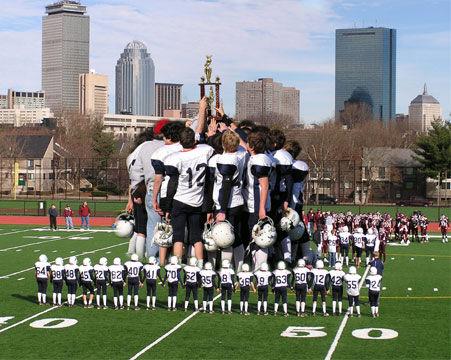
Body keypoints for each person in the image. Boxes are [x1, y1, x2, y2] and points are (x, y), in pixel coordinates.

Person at [164, 127, 214, 265]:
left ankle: (177, 266)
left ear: (180, 141)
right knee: (196, 236)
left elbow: (172, 184)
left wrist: (167, 207)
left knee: (178, 236)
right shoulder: (205, 151)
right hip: (197, 201)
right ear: (194, 140)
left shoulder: (175, 158)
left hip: (180, 200)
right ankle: (201, 265)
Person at [211, 130, 246, 271]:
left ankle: (227, 270)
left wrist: (222, 210)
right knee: (236, 237)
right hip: (237, 200)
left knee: (225, 238)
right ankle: (239, 268)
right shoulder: (242, 155)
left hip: (227, 204)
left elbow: (225, 186)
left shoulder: (227, 160)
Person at [151, 122, 184, 264]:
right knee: (183, 229)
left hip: (167, 193)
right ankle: (181, 260)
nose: (163, 140)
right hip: (185, 192)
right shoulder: (187, 147)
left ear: (169, 137)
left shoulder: (159, 153)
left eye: (164, 137)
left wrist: (154, 199)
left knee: (166, 228)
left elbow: (158, 179)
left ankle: (163, 261)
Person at [243, 131, 272, 270]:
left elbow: (264, 186)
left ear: (252, 146)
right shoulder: (257, 156)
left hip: (257, 204)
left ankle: (260, 269)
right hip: (254, 203)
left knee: (260, 237)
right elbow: (245, 146)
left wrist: (261, 208)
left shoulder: (259, 160)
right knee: (254, 236)